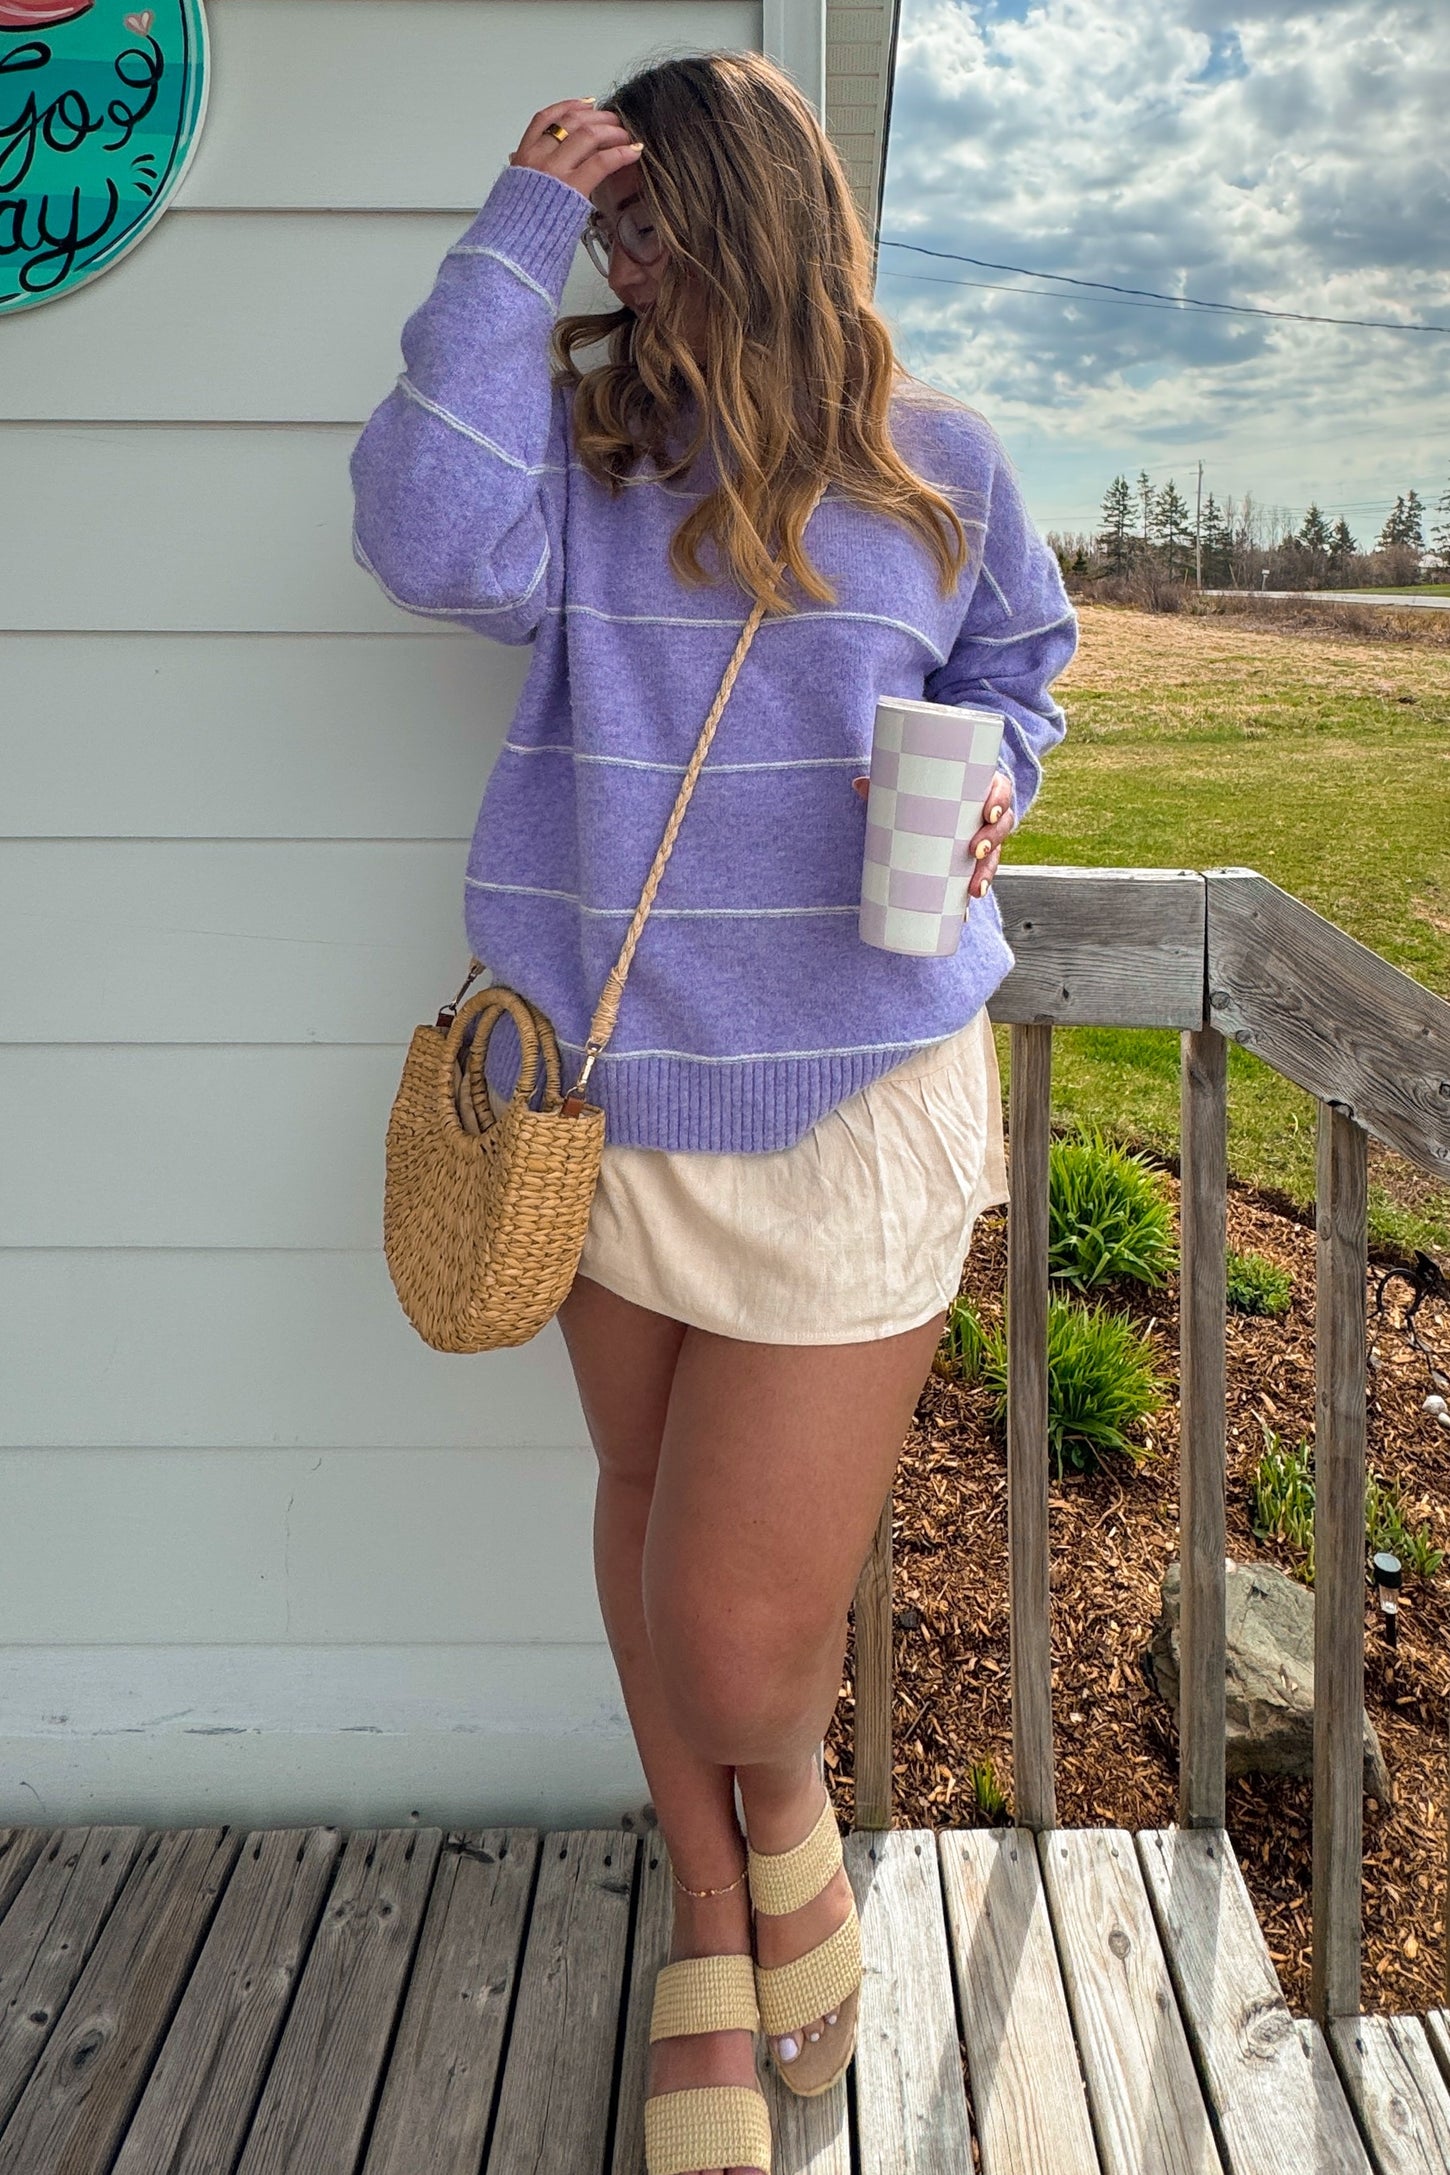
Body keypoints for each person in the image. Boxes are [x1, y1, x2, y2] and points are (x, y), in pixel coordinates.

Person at [350, 48, 1076, 2175]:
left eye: (664, 224)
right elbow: (410, 531)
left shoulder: (935, 456)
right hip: (603, 1093)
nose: (634, 264)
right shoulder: (582, 455)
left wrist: (989, 787)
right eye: (613, 231)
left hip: (853, 1095)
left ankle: (789, 1820)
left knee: (736, 1632)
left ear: (768, 216)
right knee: (646, 1499)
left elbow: (1022, 663)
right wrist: (511, 229)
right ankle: (706, 1905)